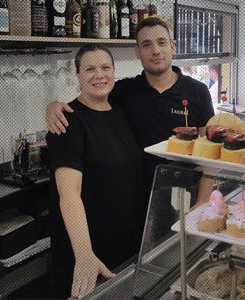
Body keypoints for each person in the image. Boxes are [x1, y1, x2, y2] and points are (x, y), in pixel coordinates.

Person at [46, 16, 215, 220]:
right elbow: (90, 100)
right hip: (136, 202)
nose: (155, 50)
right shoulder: (124, 91)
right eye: (146, 45)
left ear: (172, 46)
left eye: (161, 42)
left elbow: (210, 152)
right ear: (138, 52)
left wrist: (204, 199)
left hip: (186, 196)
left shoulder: (198, 91)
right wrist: (53, 106)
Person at [46, 44, 144, 299]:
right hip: (89, 248)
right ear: (77, 76)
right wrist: (84, 255)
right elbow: (68, 195)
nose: (99, 75)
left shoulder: (120, 111)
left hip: (125, 242)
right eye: (89, 69)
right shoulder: (68, 122)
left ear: (114, 72)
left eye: (105, 67)